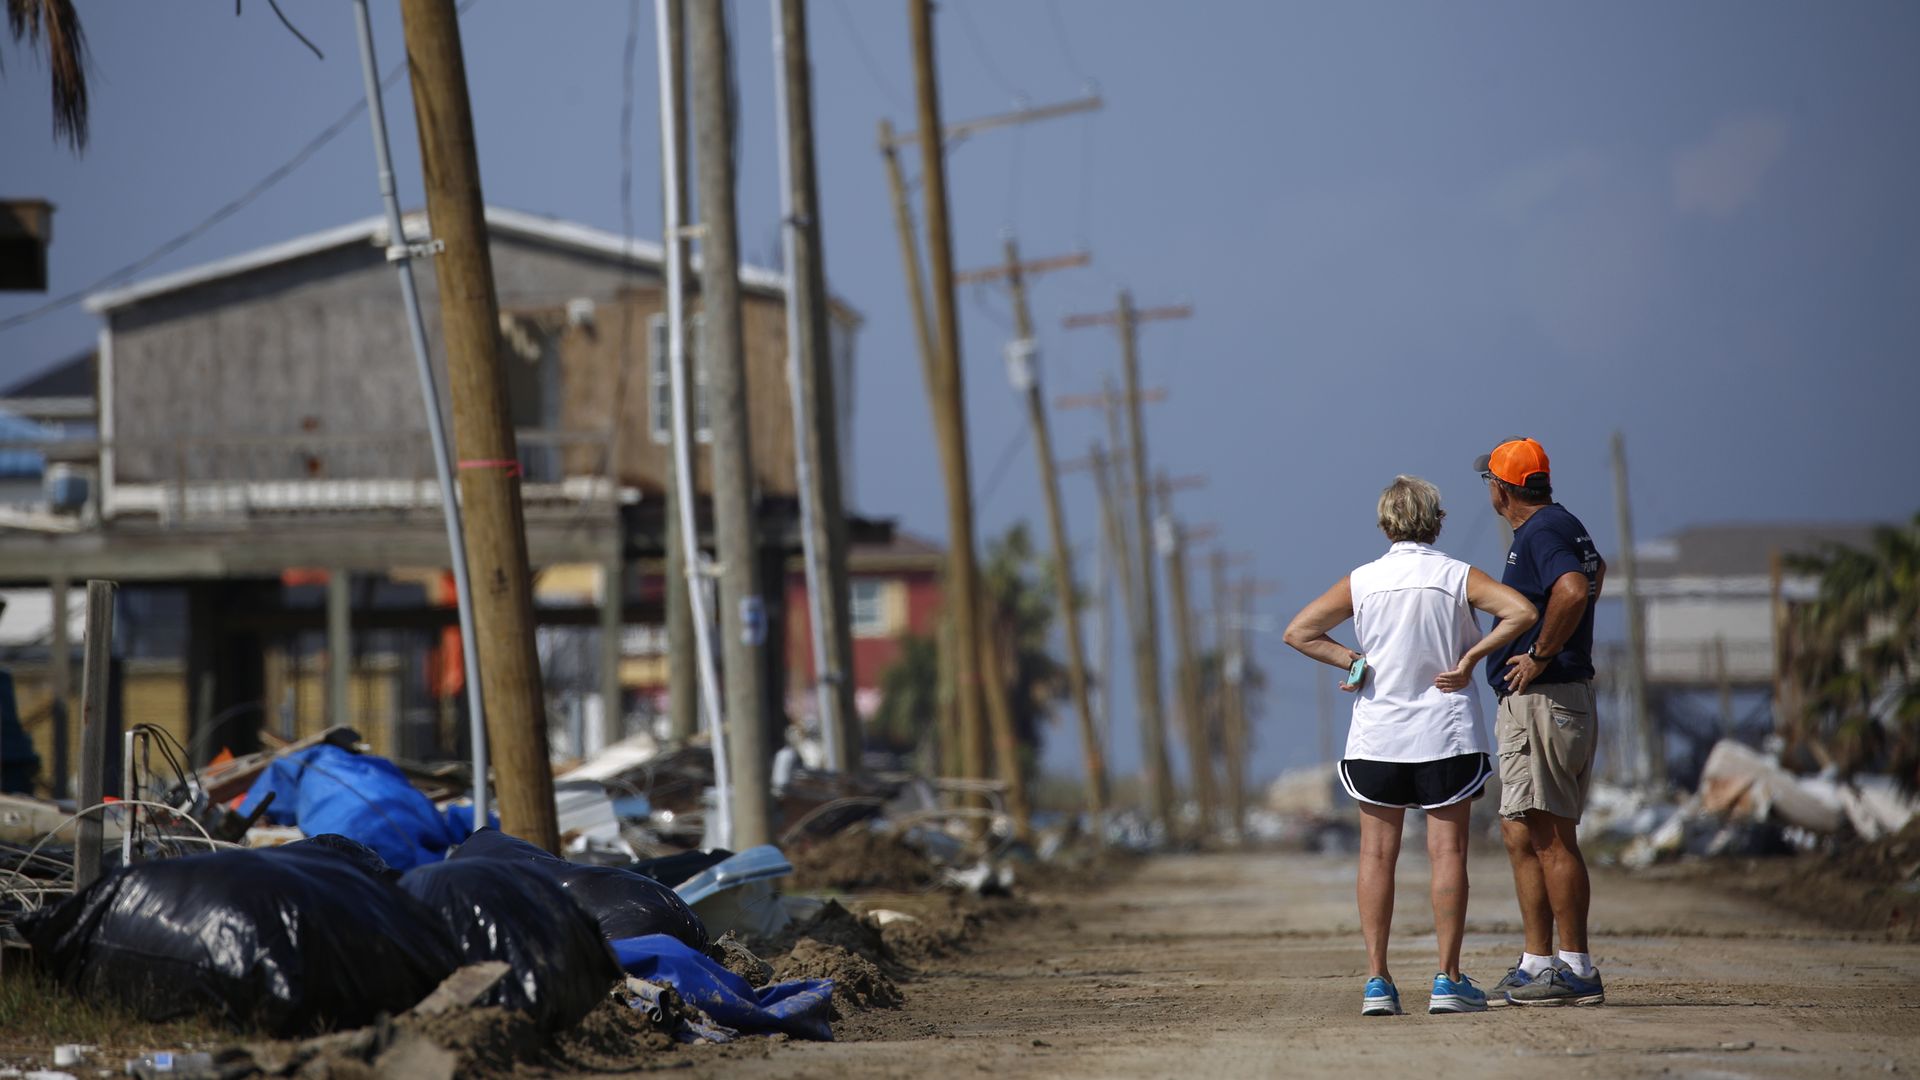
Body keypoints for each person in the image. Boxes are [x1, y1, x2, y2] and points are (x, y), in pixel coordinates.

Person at [1284, 476, 1537, 1017]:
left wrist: (1353, 663)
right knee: (1447, 853)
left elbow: (1300, 631)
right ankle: (1447, 979)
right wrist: (1471, 659)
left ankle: (1377, 981)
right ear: (1438, 521)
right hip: (1445, 734)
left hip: (1378, 735)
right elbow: (1521, 612)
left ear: (1384, 524)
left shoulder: (1364, 581)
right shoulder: (1455, 576)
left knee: (1376, 855)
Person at [1472, 437, 1608, 1007]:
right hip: (1547, 703)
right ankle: (1537, 962)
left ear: (1503, 491)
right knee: (1521, 829)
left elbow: (1575, 587)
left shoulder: (1542, 531)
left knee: (1551, 835)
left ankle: (1575, 966)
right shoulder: (1561, 525)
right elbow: (1595, 572)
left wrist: (1542, 653)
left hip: (1544, 700)